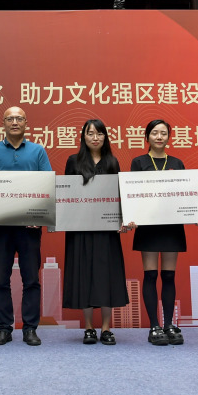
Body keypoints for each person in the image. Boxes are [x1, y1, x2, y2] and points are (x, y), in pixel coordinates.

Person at [0, 105, 53, 346]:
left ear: (26, 123)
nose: (14, 122)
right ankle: (4, 328)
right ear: (3, 123)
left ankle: (30, 328)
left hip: (29, 227)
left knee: (31, 279)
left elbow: (46, 186)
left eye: (19, 118)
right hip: (0, 227)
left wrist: (39, 217)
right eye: (10, 119)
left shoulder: (37, 151)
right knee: (0, 280)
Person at [127, 119, 198, 345]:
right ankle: (154, 326)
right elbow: (132, 194)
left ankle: (169, 324)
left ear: (169, 137)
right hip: (148, 227)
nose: (159, 137)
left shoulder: (177, 163)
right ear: (147, 137)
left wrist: (196, 213)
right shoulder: (139, 162)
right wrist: (131, 216)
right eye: (154, 133)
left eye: (163, 133)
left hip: (171, 226)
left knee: (169, 276)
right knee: (150, 275)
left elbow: (186, 194)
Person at [62, 119, 128, 345]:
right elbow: (66, 195)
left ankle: (106, 328)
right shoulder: (74, 161)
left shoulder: (112, 161)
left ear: (105, 137)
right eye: (90, 133)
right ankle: (89, 327)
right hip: (81, 228)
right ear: (84, 137)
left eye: (99, 133)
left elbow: (119, 194)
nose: (95, 138)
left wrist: (122, 218)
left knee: (106, 275)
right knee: (84, 275)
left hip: (106, 230)